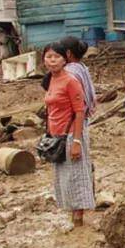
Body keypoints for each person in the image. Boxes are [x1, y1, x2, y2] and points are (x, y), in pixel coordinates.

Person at [43, 42, 92, 228]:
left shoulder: (71, 80)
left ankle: (79, 221)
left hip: (72, 135)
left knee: (76, 178)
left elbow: (80, 111)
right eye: (49, 57)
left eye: (56, 57)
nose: (52, 60)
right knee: (64, 179)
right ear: (44, 60)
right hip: (57, 136)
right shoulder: (51, 79)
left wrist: (77, 141)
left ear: (65, 59)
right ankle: (73, 219)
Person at [61, 36, 96, 122]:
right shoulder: (81, 67)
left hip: (73, 119)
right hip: (83, 115)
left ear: (68, 53)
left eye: (59, 53)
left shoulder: (69, 72)